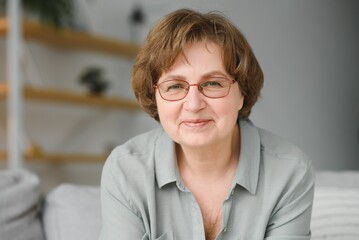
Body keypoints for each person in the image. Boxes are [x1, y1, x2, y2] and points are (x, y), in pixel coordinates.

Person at [99, 8, 315, 240]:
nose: (193, 104)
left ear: (242, 92)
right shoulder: (126, 171)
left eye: (212, 83)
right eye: (174, 86)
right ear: (156, 98)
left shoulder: (289, 172)